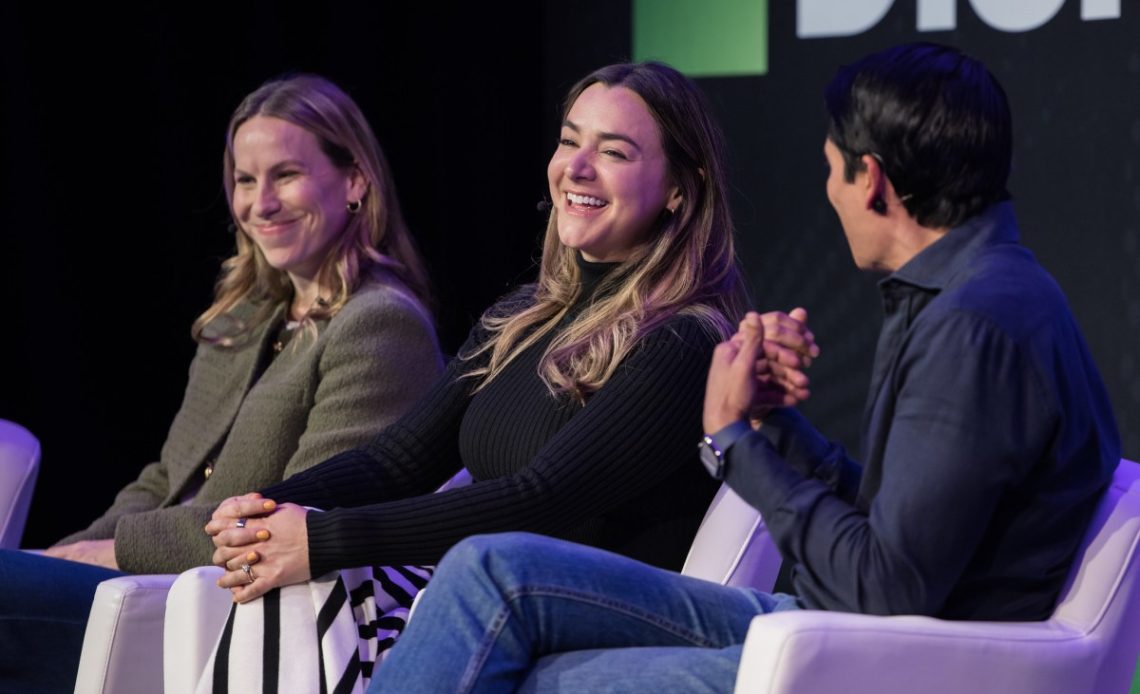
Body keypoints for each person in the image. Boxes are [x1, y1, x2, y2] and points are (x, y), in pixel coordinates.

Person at [370, 42, 1122, 693]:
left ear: (870, 179)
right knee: (489, 572)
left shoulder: (973, 325)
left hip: (899, 656)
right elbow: (903, 527)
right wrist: (776, 426)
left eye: (831, 170)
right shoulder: (975, 292)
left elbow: (886, 588)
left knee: (522, 668)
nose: (829, 193)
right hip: (850, 624)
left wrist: (735, 442)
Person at [198, 61, 818, 691]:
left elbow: (542, 500)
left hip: (585, 628)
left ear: (679, 189)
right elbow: (398, 461)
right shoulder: (523, 315)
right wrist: (261, 510)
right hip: (483, 606)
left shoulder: (684, 339)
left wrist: (321, 537)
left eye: (613, 152)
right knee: (279, 583)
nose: (577, 168)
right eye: (570, 141)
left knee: (315, 576)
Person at [0, 74, 443, 693]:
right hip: (141, 586)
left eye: (285, 175)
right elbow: (165, 478)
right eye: (244, 180)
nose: (261, 203)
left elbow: (299, 517)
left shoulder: (381, 324)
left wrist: (110, 552)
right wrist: (65, 553)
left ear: (354, 181)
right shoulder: (240, 319)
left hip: (222, 607)